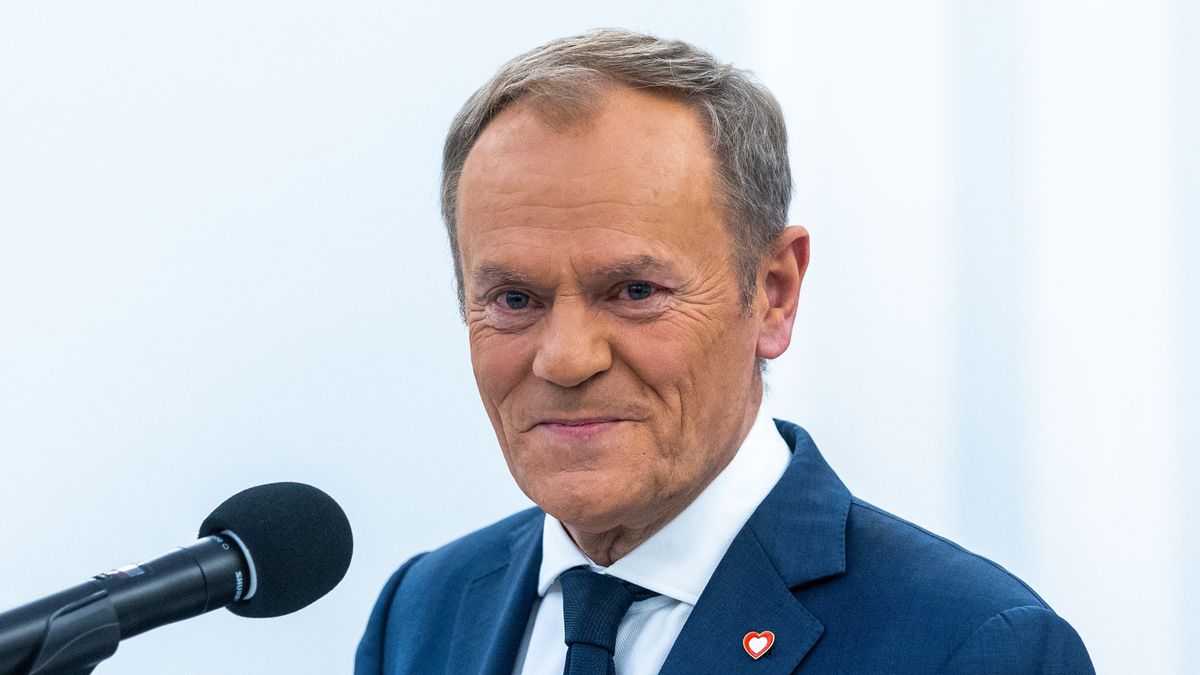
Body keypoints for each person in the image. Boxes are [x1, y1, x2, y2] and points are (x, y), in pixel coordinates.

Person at [355, 29, 1094, 674]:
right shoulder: (421, 614)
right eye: (515, 300)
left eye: (635, 290)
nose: (566, 358)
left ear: (774, 292)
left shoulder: (971, 647)